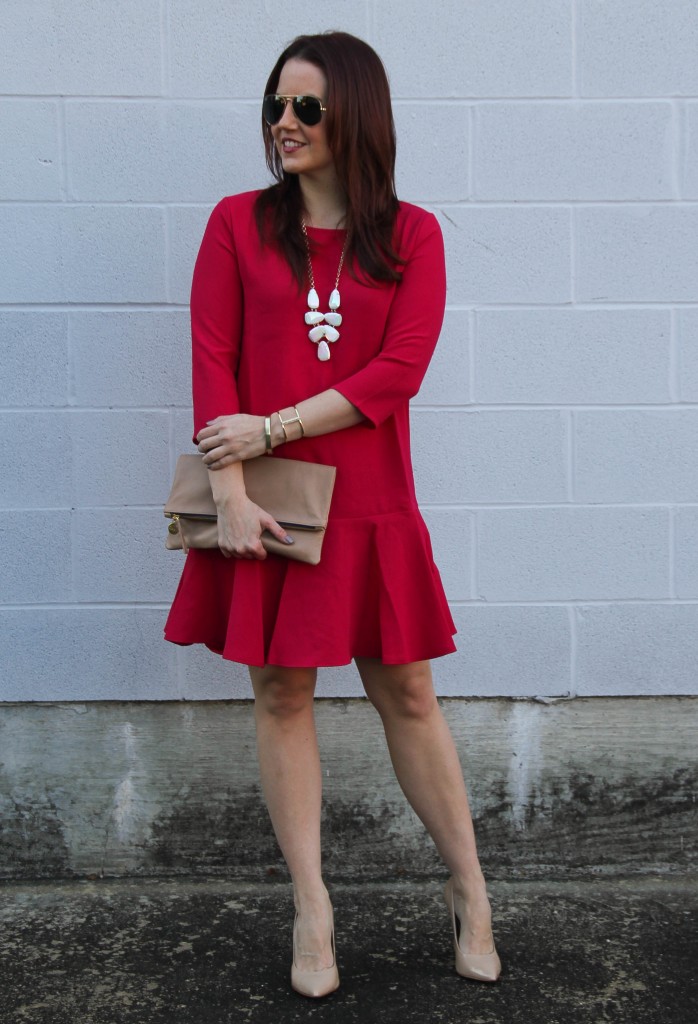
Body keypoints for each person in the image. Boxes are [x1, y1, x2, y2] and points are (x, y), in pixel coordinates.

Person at [164, 30, 501, 998]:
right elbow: (210, 357)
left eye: (306, 106)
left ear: (354, 113)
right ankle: (312, 905)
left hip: (369, 507)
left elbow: (395, 374)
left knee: (407, 696)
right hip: (264, 510)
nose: (284, 122)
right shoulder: (235, 224)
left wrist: (264, 432)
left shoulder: (412, 236)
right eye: (276, 104)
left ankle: (469, 888)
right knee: (280, 695)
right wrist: (226, 493)